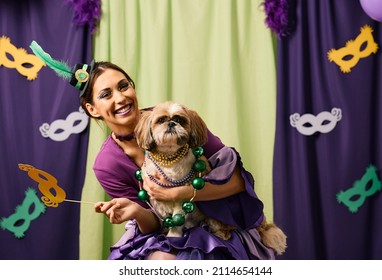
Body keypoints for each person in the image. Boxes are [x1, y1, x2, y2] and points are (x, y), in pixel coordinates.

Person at [28, 41, 278, 259]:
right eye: (106, 94)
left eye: (124, 86)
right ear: (92, 109)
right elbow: (153, 224)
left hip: (217, 219)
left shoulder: (179, 119)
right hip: (163, 233)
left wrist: (178, 193)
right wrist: (136, 211)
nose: (120, 98)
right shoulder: (107, 164)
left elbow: (236, 183)